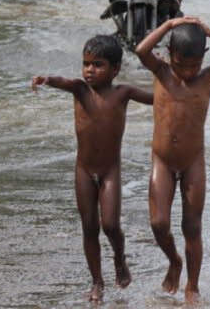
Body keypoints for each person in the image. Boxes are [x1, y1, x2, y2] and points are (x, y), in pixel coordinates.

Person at [32, 35, 154, 302]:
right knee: (89, 226)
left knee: (110, 225)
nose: (89, 70)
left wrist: (174, 81)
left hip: (110, 171)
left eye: (98, 64)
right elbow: (61, 81)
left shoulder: (124, 93)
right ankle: (97, 282)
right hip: (84, 170)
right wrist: (46, 79)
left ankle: (120, 258)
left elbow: (157, 100)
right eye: (86, 63)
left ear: (115, 69)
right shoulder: (79, 89)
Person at [134, 17, 210, 304]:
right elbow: (141, 51)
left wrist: (209, 31)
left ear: (202, 59)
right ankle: (174, 261)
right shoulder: (161, 71)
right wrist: (169, 24)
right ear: (170, 55)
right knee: (159, 223)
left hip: (193, 162)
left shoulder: (207, 77)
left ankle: (192, 286)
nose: (187, 71)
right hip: (162, 161)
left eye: (193, 65)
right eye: (181, 64)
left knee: (192, 226)